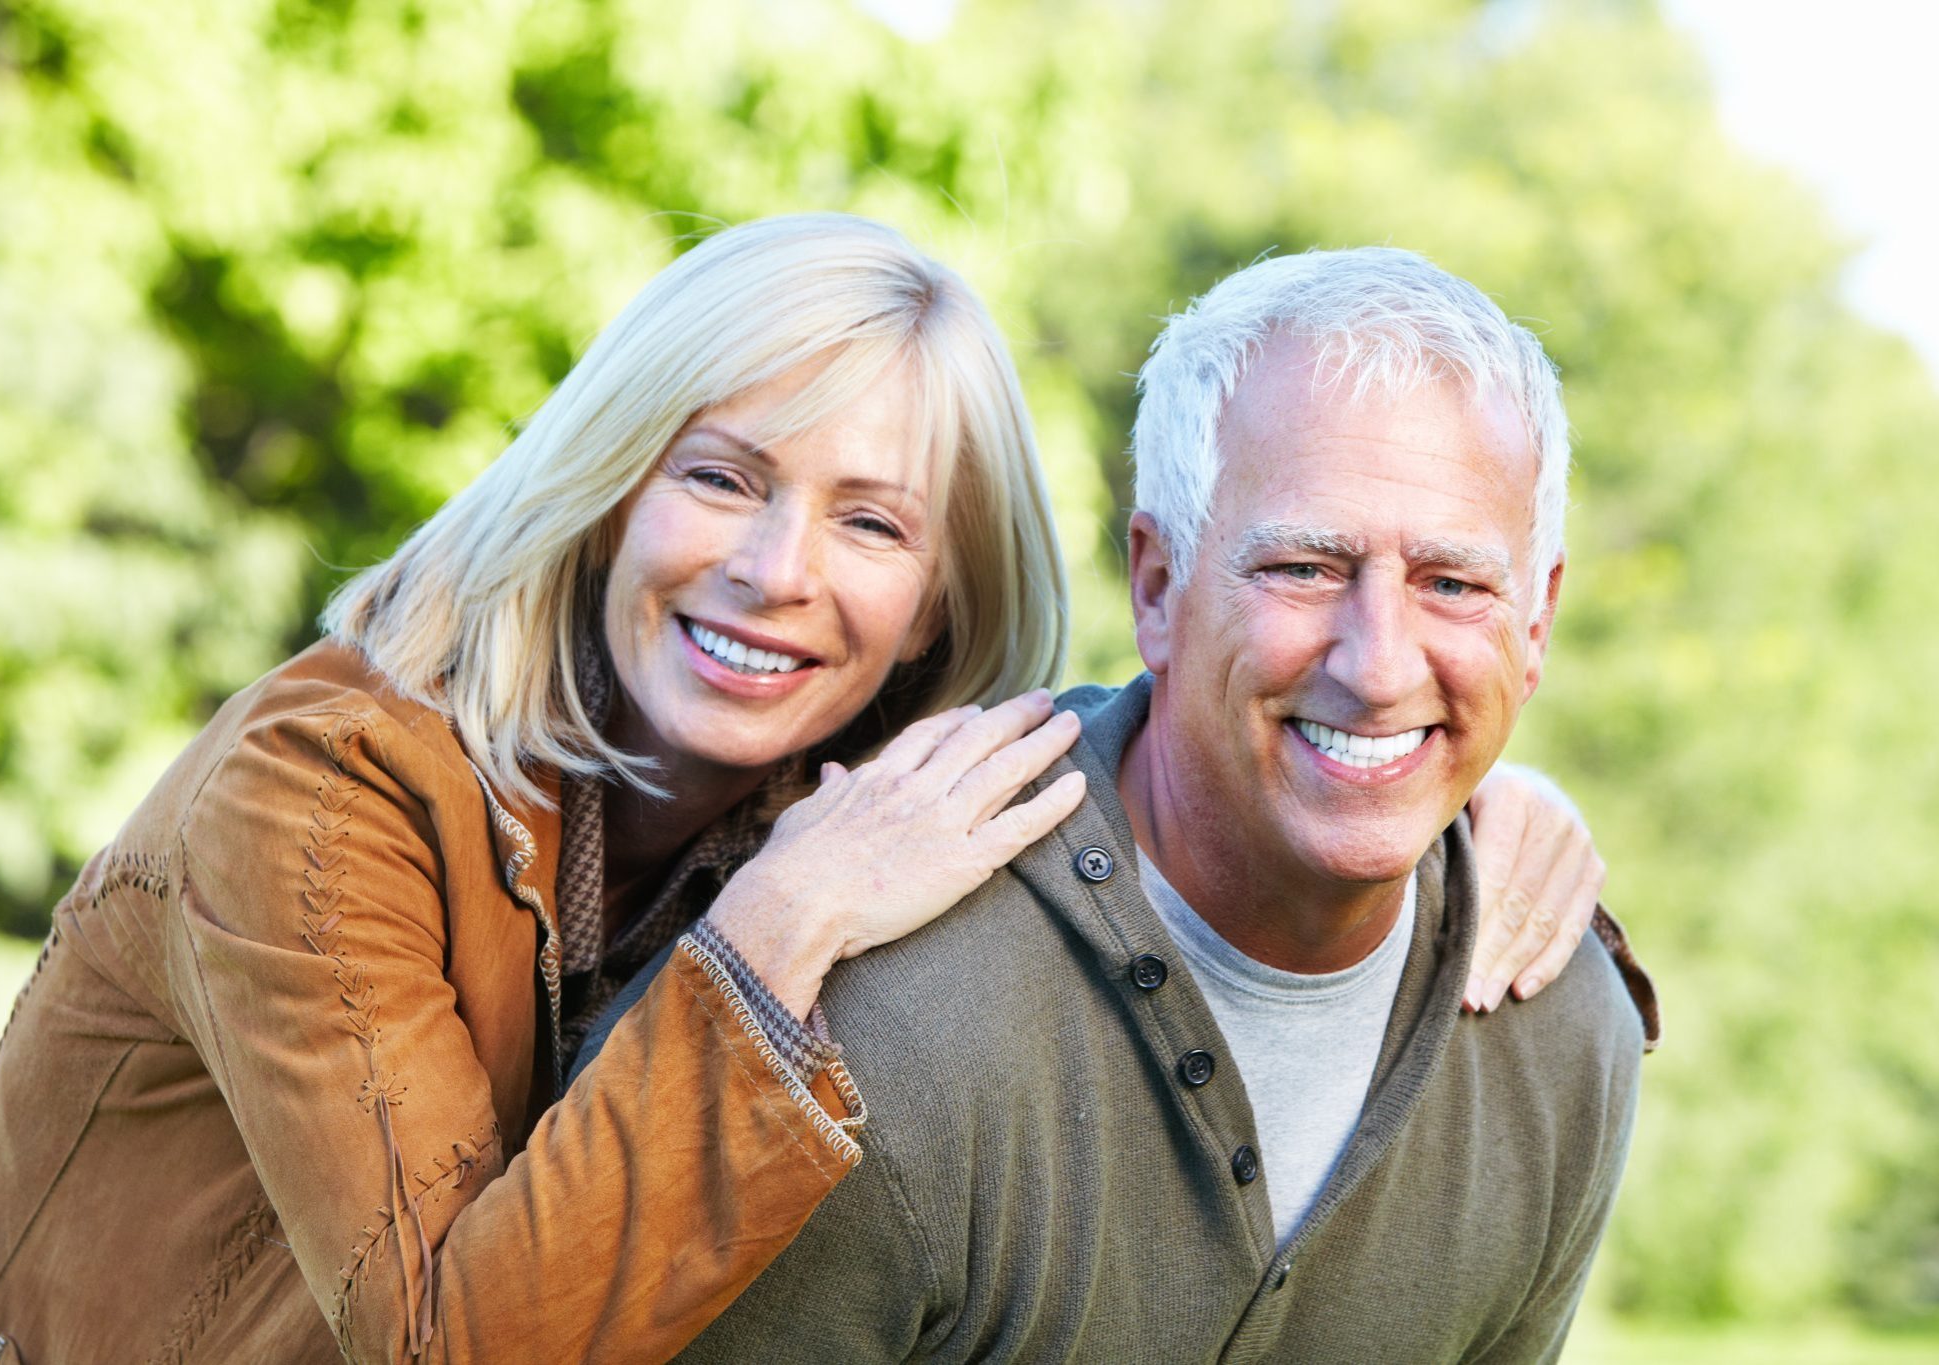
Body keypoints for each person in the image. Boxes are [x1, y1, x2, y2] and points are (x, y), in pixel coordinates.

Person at [0, 217, 1613, 1365]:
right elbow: (446, 1348)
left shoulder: (835, 803)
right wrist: (774, 936)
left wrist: (1446, 808)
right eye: (723, 477)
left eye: (871, 524)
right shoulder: (326, 795)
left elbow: (1229, 721)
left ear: (935, 599)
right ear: (612, 484)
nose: (777, 573)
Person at [661, 246, 1660, 1364]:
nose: (1378, 666)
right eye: (1302, 568)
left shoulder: (1565, 1034)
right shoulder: (869, 1012)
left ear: (1535, 624)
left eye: (1454, 584)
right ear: (1156, 586)